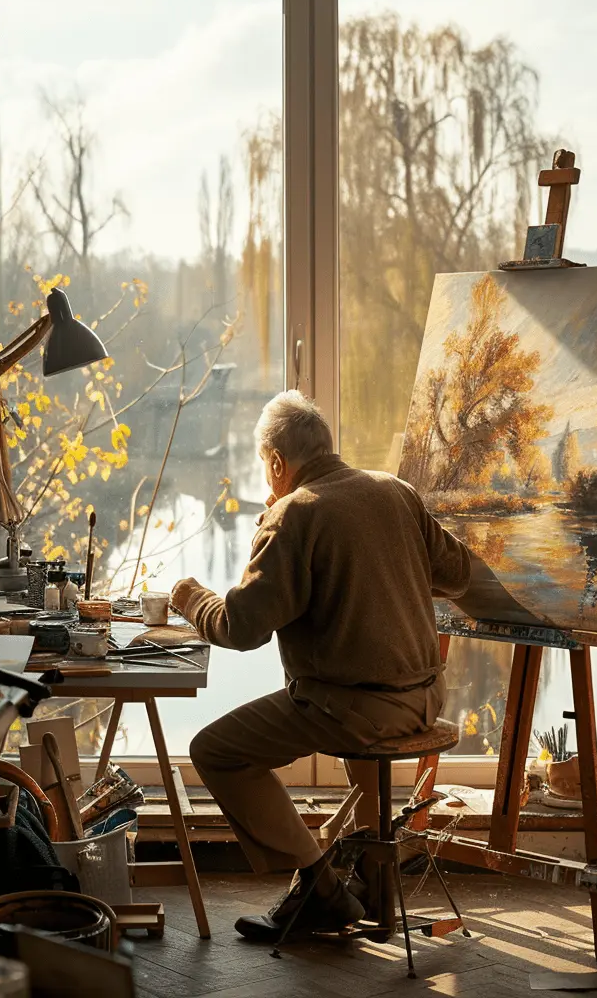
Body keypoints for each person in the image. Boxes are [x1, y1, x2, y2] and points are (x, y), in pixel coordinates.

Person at [171, 390, 472, 942]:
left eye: (267, 467)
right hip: (425, 700)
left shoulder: (295, 513)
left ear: (279, 463)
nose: (268, 479)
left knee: (214, 751)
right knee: (360, 742)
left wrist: (192, 598)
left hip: (354, 708)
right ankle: (375, 883)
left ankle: (319, 888)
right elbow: (458, 574)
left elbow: (242, 628)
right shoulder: (396, 491)